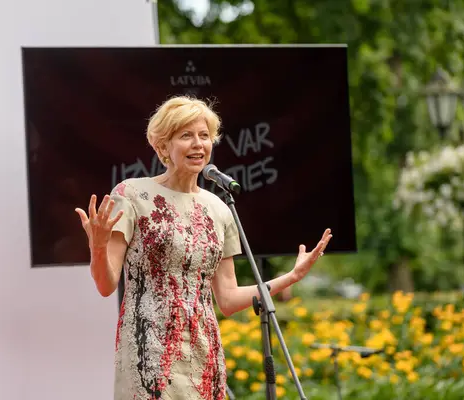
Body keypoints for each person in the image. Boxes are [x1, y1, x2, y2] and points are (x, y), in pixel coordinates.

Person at [75, 96, 332, 400]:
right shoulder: (131, 195)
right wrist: (99, 246)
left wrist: (291, 277)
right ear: (163, 146)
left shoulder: (220, 209)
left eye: (204, 136)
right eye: (186, 135)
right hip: (150, 351)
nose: (198, 144)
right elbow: (106, 285)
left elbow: (228, 299)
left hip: (203, 349)